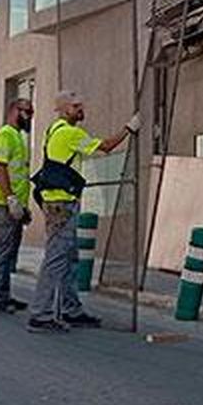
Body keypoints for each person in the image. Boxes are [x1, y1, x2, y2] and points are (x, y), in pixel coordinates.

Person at [26, 91, 136, 334]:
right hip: (62, 204)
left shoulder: (53, 129)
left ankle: (70, 309)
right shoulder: (70, 133)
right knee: (56, 259)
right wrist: (128, 129)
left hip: (57, 201)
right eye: (76, 106)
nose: (81, 109)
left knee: (68, 257)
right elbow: (106, 147)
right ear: (65, 110)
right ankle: (40, 314)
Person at [0, 98, 34, 314]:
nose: (29, 116)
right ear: (14, 111)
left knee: (9, 251)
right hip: (4, 204)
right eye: (26, 112)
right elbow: (0, 169)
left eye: (31, 113)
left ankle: (3, 294)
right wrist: (11, 198)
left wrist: (23, 206)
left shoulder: (18, 137)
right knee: (0, 250)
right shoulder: (5, 135)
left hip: (14, 204)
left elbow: (19, 174)